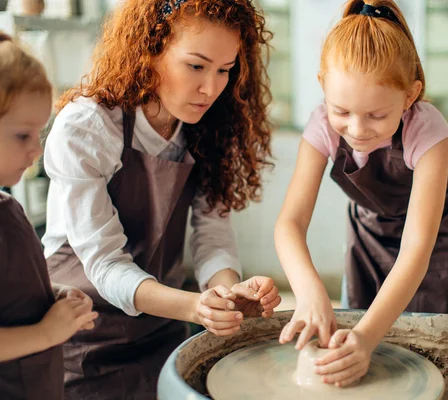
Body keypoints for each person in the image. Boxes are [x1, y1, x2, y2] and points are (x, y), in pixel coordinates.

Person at [42, 1, 280, 398]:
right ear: (149, 49)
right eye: (196, 66)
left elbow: (213, 237)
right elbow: (105, 264)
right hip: (80, 335)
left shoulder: (208, 129)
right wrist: (195, 307)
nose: (211, 88)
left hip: (161, 331)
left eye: (225, 70)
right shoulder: (87, 127)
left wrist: (228, 294)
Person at [275, 0, 448, 387]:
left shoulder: (427, 129)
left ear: (410, 94)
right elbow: (289, 223)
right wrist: (309, 290)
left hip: (437, 242)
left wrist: (367, 338)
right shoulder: (321, 125)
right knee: (358, 320)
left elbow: (417, 249)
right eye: (342, 111)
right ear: (322, 85)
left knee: (435, 349)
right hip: (370, 229)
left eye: (377, 115)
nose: (357, 128)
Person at [0, 31, 98, 400]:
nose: (35, 151)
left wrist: (50, 294)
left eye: (39, 134)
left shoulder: (7, 207)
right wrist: (46, 333)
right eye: (23, 136)